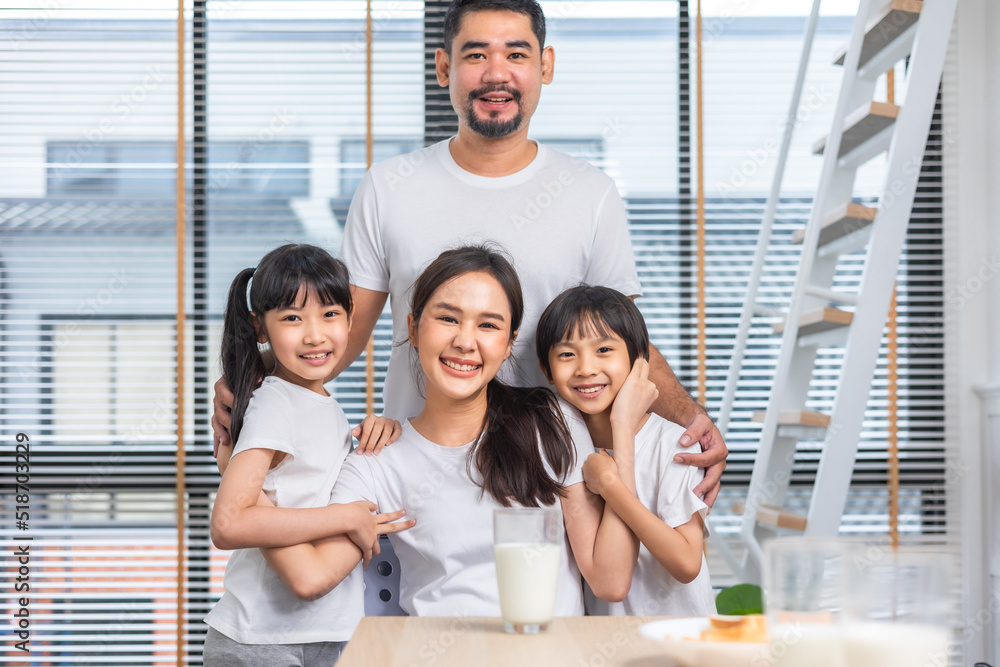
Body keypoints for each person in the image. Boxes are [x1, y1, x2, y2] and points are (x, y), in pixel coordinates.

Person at [211, 0, 727, 505]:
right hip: (416, 470)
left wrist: (690, 418)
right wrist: (253, 382)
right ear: (444, 67)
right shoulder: (389, 186)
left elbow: (623, 345)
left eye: (517, 55)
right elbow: (340, 335)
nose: (496, 74)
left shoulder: (590, 192)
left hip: (553, 473)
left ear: (545, 66)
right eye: (476, 55)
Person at [257, 245, 656, 615]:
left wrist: (622, 433)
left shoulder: (552, 423)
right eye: (448, 318)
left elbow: (610, 580)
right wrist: (247, 472)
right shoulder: (375, 460)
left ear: (509, 342)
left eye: (488, 325)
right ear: (413, 329)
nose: (465, 342)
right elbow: (310, 578)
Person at [202, 244, 414, 666]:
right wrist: (347, 517)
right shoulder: (276, 402)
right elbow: (228, 523)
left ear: (352, 317)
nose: (314, 334)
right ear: (260, 328)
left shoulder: (318, 403)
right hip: (262, 639)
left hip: (327, 634)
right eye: (293, 318)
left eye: (330, 314)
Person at [536, 285, 714, 616]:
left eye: (604, 349)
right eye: (566, 354)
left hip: (683, 646)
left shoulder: (673, 443)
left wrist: (611, 485)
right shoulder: (562, 448)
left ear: (639, 361)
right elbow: (607, 584)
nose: (586, 368)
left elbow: (687, 563)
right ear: (546, 368)